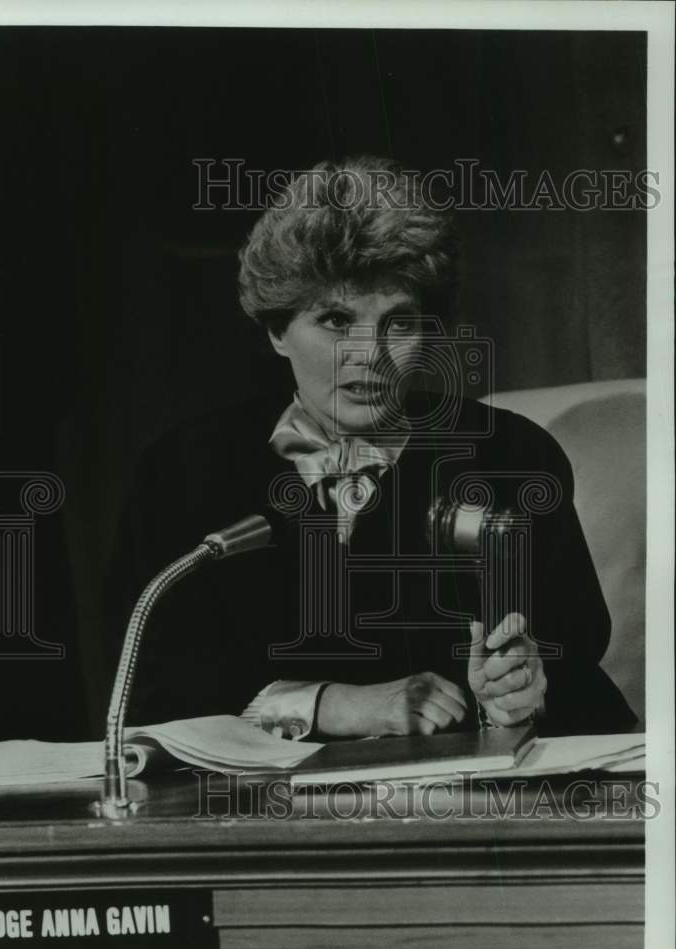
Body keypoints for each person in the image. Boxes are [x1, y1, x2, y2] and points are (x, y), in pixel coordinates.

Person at [106, 155, 636, 740]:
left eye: (399, 323)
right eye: (336, 320)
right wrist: (329, 704)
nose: (370, 355)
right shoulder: (182, 471)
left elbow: (571, 654)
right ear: (277, 331)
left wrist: (516, 691)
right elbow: (146, 684)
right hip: (256, 796)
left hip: (474, 782)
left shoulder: (511, 455)